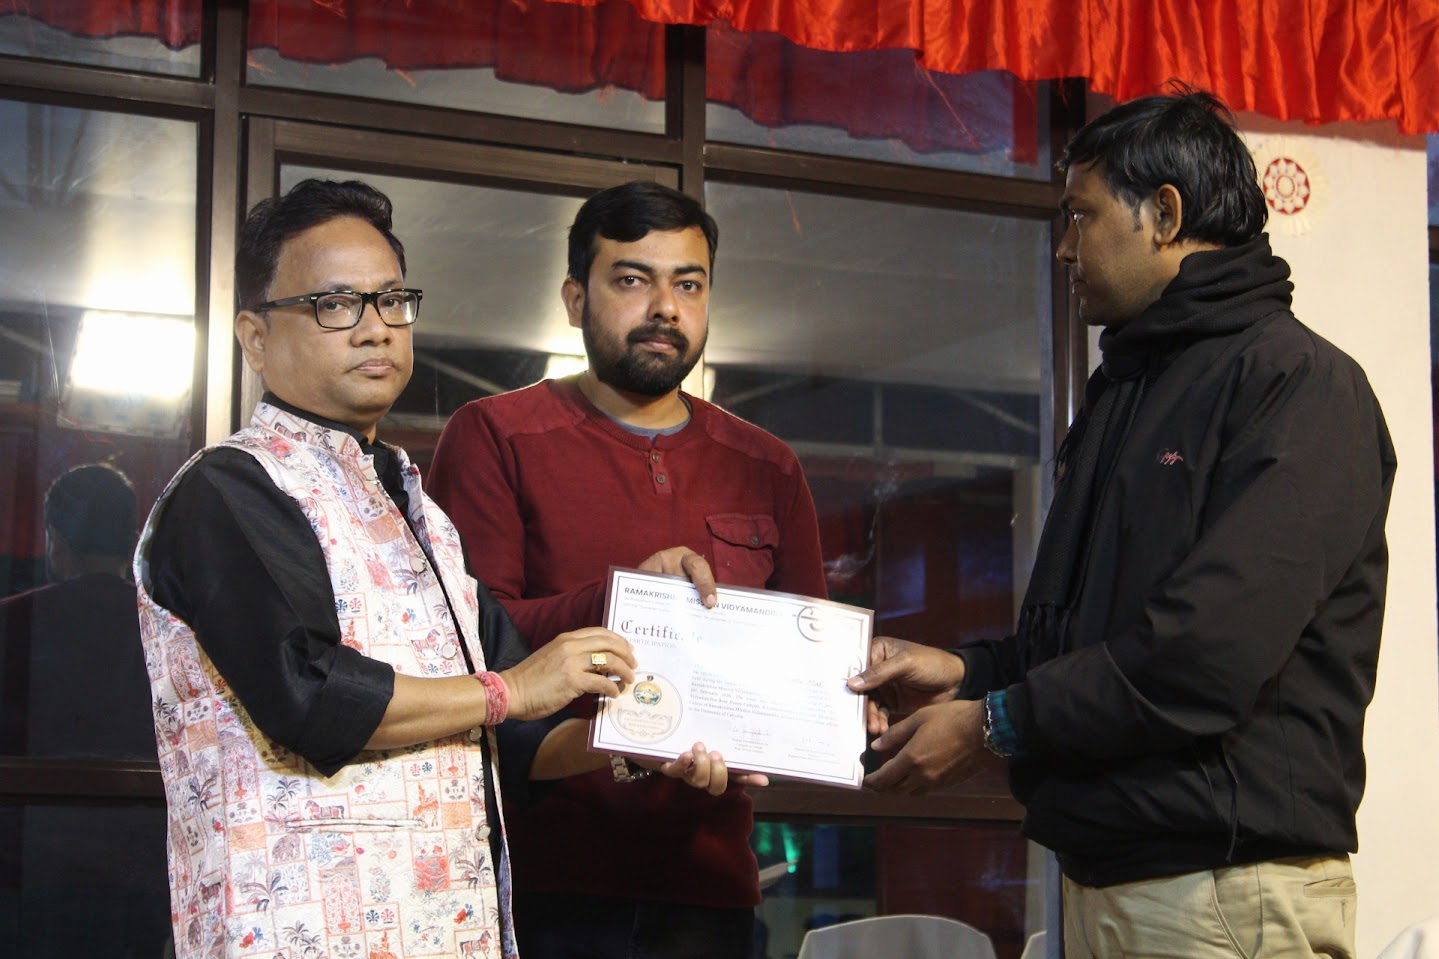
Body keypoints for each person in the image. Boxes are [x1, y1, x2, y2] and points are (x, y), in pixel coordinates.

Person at [848, 86, 1394, 959]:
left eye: (1080, 215)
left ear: (1163, 216)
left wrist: (993, 723)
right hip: (1105, 883)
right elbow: (1088, 637)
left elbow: (1202, 655)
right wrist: (967, 671)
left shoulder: (1297, 384)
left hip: (1222, 892)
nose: (1064, 247)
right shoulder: (1126, 391)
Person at [133, 178, 732, 959]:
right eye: (335, 304)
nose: (375, 329)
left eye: (391, 301)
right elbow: (310, 694)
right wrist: (510, 690)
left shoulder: (420, 513)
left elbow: (523, 731)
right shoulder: (227, 488)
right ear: (254, 336)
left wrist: (640, 738)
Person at [427, 180, 828, 959]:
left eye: (688, 284)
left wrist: (815, 715)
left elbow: (800, 663)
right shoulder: (495, 434)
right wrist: (629, 600)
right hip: (541, 880)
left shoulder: (767, 465)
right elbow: (469, 639)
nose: (665, 308)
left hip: (711, 882)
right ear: (575, 298)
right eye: (632, 280)